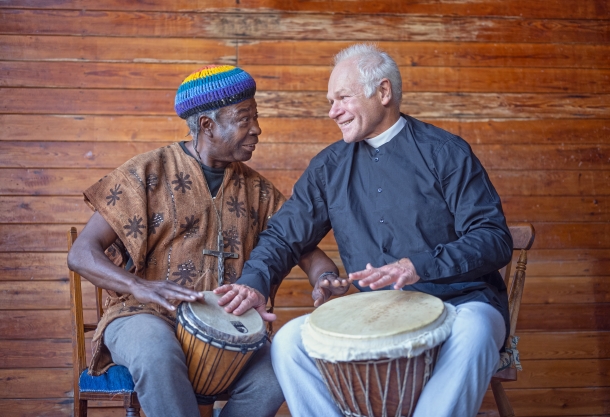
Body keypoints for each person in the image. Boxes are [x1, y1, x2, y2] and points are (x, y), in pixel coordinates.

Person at [218, 44, 514, 417]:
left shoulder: (446, 152)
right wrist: (254, 283)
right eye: (330, 100)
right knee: (290, 340)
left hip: (461, 304)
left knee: (474, 331)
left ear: (384, 92)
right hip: (375, 313)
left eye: (343, 97)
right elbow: (283, 235)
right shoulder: (328, 168)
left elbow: (493, 238)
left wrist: (418, 265)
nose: (333, 111)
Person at [67, 65, 344, 417]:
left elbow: (310, 254)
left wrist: (324, 279)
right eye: (244, 119)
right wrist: (138, 286)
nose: (257, 129)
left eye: (255, 117)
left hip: (229, 327)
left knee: (280, 372)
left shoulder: (259, 191)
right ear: (207, 126)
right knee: (156, 354)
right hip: (144, 315)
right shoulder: (146, 172)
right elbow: (81, 253)